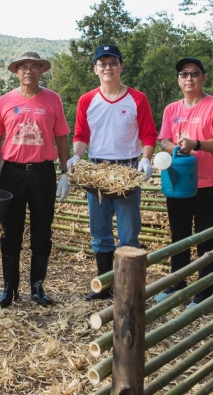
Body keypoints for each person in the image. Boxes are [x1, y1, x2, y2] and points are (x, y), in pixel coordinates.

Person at [68, 44, 157, 300]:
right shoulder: (87, 100)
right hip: (97, 170)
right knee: (100, 232)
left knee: (128, 233)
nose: (108, 68)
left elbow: (149, 134)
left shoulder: (137, 99)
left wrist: (146, 159)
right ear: (95, 69)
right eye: (103, 64)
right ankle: (105, 286)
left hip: (127, 170)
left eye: (113, 63)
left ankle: (126, 290)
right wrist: (76, 155)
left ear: (121, 67)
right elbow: (81, 135)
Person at [0, 52, 70, 307]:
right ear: (16, 72)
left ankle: (37, 287)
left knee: (42, 230)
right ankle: (9, 288)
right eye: (23, 67)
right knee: (10, 231)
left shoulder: (52, 99)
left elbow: (61, 137)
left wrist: (64, 172)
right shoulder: (5, 101)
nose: (29, 71)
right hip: (12, 172)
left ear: (41, 71)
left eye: (34, 67)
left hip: (43, 172)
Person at [155, 58, 213, 307]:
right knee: (178, 236)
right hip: (178, 182)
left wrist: (195, 144)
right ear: (178, 80)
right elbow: (164, 141)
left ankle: (204, 291)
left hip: (207, 183)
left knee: (205, 238)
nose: (189, 78)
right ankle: (177, 284)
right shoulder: (171, 109)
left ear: (203, 77)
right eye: (184, 74)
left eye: (194, 73)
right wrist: (178, 148)